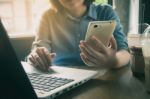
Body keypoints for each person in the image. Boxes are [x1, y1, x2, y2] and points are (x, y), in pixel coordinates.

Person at [27, 0, 131, 72]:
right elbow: (39, 47)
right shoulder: (47, 16)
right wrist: (37, 55)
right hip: (59, 76)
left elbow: (125, 52)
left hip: (99, 76)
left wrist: (113, 61)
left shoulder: (106, 12)